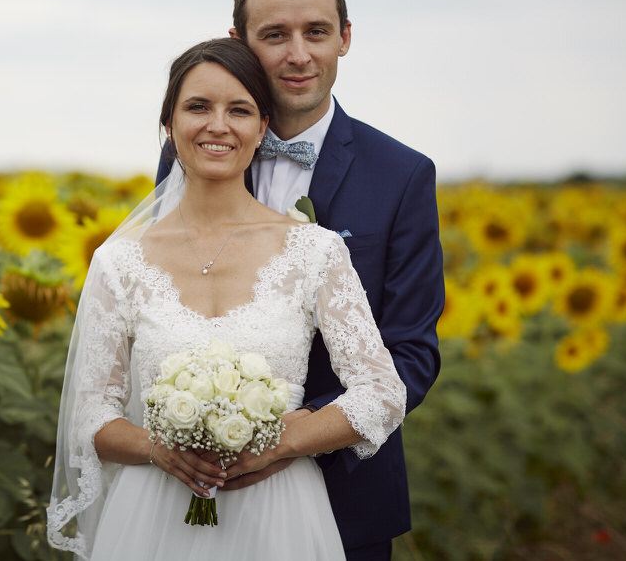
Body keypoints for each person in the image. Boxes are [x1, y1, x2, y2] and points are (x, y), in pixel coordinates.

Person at [47, 37, 406, 560]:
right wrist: (157, 448)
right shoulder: (119, 262)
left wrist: (284, 440)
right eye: (198, 107)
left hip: (279, 515)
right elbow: (90, 417)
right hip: (152, 516)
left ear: (262, 128)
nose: (218, 125)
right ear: (169, 124)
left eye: (239, 110)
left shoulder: (315, 251)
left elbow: (381, 391)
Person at [156, 0, 444, 560]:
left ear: (344, 37)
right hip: (192, 486)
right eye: (274, 35)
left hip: (347, 497)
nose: (297, 54)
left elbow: (412, 353)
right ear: (239, 42)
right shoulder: (189, 155)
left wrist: (286, 437)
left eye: (316, 32)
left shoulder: (403, 176)